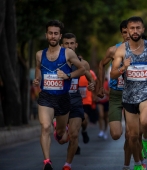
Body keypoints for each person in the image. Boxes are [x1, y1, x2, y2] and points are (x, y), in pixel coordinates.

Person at [110, 16, 147, 170]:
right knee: (131, 136)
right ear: (128, 31)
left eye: (138, 28)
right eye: (132, 28)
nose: (135, 31)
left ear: (143, 30)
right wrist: (123, 67)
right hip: (129, 95)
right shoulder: (122, 50)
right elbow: (113, 74)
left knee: (145, 122)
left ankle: (146, 140)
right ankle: (138, 164)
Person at [33, 20, 85, 170]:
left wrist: (68, 76)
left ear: (59, 36)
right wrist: (38, 79)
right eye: (50, 33)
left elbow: (81, 69)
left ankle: (61, 129)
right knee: (45, 126)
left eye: (56, 34)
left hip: (63, 98)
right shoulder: (39, 54)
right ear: (46, 35)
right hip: (46, 97)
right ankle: (47, 162)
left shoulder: (68, 53)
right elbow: (38, 68)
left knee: (61, 136)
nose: (53, 36)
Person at [97, 20, 133, 170]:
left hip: (134, 95)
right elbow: (101, 64)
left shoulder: (142, 50)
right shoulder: (113, 50)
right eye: (124, 32)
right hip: (116, 95)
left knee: (131, 135)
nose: (128, 35)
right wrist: (100, 86)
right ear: (121, 34)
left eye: (130, 31)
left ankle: (126, 165)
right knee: (116, 134)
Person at [60, 33, 95, 170]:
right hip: (59, 103)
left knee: (74, 135)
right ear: (62, 45)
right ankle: (62, 128)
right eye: (66, 43)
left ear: (76, 45)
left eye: (71, 43)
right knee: (62, 139)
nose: (69, 46)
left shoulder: (83, 63)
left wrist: (91, 84)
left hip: (75, 101)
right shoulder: (56, 61)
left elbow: (89, 76)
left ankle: (67, 165)